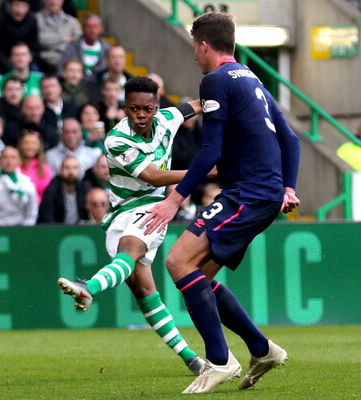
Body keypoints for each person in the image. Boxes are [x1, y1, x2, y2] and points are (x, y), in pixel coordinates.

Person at [141, 13, 301, 394]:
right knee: (200, 276)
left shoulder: (213, 81)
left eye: (194, 47)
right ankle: (263, 350)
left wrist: (173, 200)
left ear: (203, 45)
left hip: (248, 194)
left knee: (177, 261)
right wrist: (289, 188)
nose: (195, 56)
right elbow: (291, 139)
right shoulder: (253, 79)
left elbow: (210, 148)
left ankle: (219, 360)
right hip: (260, 193)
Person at [57, 76, 206, 377]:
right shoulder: (116, 140)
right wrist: (205, 170)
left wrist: (216, 100)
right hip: (119, 214)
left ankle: (89, 288)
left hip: (153, 209)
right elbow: (152, 175)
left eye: (147, 109)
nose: (141, 115)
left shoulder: (166, 118)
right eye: (134, 108)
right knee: (145, 293)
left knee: (129, 251)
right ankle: (192, 359)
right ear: (124, 108)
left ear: (156, 107)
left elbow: (190, 108)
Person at [0, 145, 38, 226]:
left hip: (22, 231)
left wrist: (25, 231)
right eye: (5, 157)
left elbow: (32, 213)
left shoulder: (27, 184)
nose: (9, 161)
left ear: (19, 161)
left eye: (13, 157)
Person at [0, 0, 39, 74]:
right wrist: (9, 64)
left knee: (35, 70)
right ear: (10, 5)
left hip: (23, 59)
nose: (19, 10)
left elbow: (34, 47)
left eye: (23, 6)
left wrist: (24, 59)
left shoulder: (32, 19)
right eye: (17, 5)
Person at [38, 155, 90, 224]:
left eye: (74, 168)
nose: (71, 172)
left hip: (80, 230)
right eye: (67, 168)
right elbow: (47, 219)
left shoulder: (84, 189)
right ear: (61, 171)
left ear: (79, 171)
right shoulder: (51, 191)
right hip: (58, 231)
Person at [35, 0, 81, 74]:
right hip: (43, 63)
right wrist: (63, 38)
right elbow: (39, 39)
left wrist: (53, 46)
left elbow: (77, 43)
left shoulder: (73, 21)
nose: (53, 2)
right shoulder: (35, 19)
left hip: (67, 62)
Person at [18, 130, 52, 205]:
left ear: (39, 146)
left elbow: (46, 193)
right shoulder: (15, 166)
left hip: (39, 207)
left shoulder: (45, 168)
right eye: (26, 143)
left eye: (34, 143)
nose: (30, 147)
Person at [0, 77, 24, 147]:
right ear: (4, 91)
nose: (14, 94)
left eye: (17, 89)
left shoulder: (27, 105)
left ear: (22, 92)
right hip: (3, 146)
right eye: (10, 90)